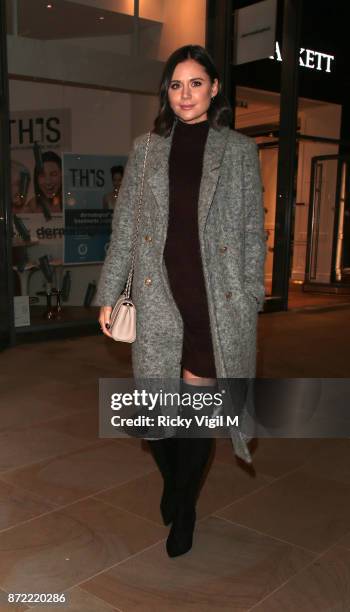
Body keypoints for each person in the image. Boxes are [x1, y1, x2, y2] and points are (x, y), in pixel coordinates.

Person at [97, 45, 266, 558]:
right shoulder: (146, 149)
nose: (185, 94)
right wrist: (109, 292)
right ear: (165, 93)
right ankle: (178, 485)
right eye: (176, 85)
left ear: (215, 89)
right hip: (158, 296)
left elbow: (253, 229)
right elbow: (124, 227)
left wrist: (251, 291)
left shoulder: (238, 151)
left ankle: (184, 509)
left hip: (215, 301)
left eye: (196, 83)